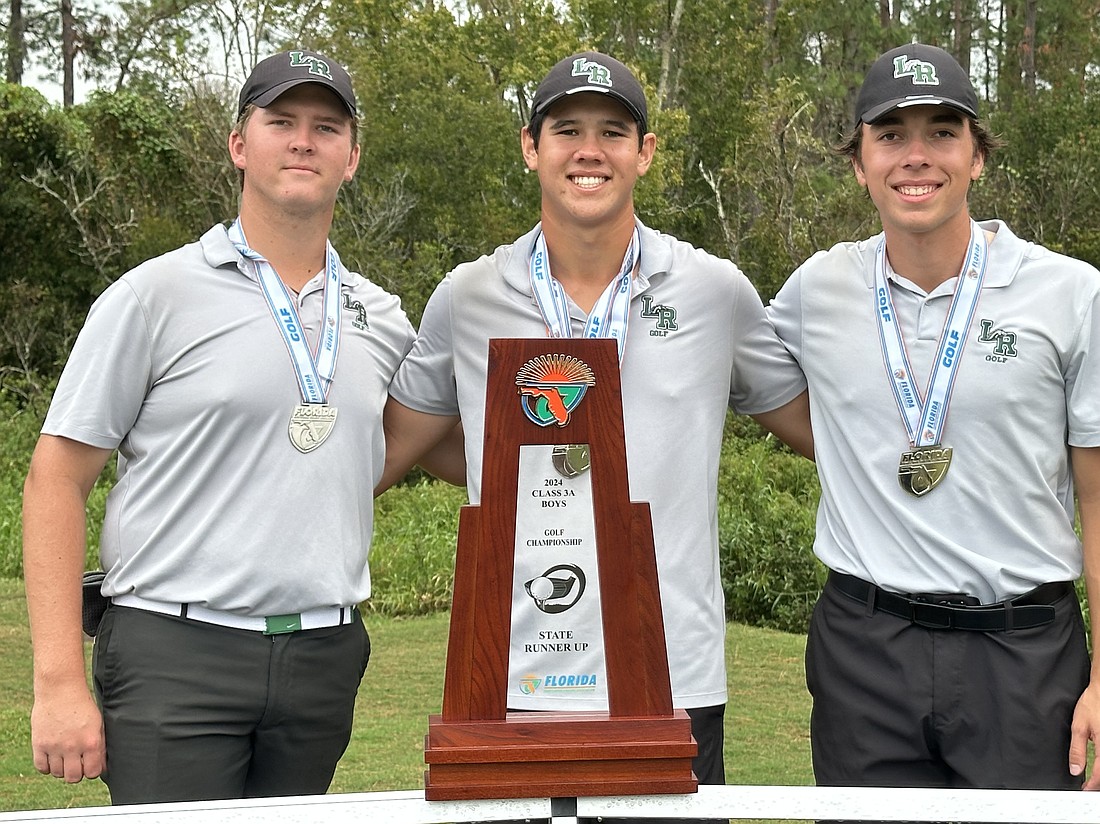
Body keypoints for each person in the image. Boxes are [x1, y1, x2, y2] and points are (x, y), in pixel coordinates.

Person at [380, 50, 812, 800]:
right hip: (513, 666)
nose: (589, 150)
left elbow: (823, 427)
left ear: (645, 152)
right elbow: (393, 445)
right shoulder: (468, 295)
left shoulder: (715, 292)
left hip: (673, 667)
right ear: (530, 147)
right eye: (566, 129)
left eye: (613, 131)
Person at [22, 50, 415, 803]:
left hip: (324, 655)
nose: (304, 141)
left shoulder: (383, 317)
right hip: (176, 649)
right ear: (240, 144)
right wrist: (59, 683)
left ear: (352, 157)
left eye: (326, 126)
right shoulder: (153, 297)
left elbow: (414, 446)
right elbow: (55, 480)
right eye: (281, 122)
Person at [767, 42, 1100, 791]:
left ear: (977, 156)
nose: (916, 156)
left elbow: (1098, 495)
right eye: (890, 136)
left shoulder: (1071, 293)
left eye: (942, 132)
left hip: (1024, 653)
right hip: (865, 650)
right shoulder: (817, 288)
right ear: (859, 163)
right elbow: (756, 387)